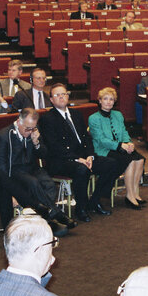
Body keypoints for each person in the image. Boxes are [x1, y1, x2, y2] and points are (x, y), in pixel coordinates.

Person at [39, 83, 119, 222]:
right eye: (57, 95)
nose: (61, 97)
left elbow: (86, 138)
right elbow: (54, 146)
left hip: (82, 156)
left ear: (68, 96)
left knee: (112, 164)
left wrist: (89, 155)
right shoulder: (47, 119)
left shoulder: (76, 114)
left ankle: (94, 200)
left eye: (63, 94)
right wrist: (77, 159)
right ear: (51, 100)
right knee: (82, 170)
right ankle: (81, 208)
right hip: (61, 160)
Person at [0, 108, 78, 233]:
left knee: (49, 184)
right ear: (19, 121)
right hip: (16, 170)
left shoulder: (34, 131)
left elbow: (44, 154)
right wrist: (8, 188)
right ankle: (57, 215)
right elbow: (1, 164)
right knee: (33, 183)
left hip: (32, 167)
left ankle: (46, 217)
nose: (29, 132)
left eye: (32, 128)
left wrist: (36, 142)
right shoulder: (4, 135)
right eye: (27, 128)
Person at [89, 87, 147, 208]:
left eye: (111, 99)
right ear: (99, 101)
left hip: (121, 147)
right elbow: (100, 140)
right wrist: (120, 145)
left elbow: (124, 131)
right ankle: (129, 195)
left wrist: (129, 142)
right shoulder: (93, 118)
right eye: (105, 99)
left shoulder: (118, 115)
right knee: (129, 160)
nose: (108, 102)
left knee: (139, 159)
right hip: (104, 150)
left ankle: (135, 192)